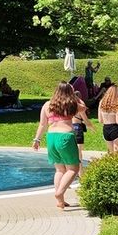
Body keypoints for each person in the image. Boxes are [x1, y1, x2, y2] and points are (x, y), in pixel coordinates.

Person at [32, 81, 81, 209]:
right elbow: (83, 108)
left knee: (59, 170)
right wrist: (74, 96)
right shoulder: (71, 104)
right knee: (73, 169)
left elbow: (42, 124)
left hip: (51, 137)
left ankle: (60, 201)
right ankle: (59, 193)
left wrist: (37, 139)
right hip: (65, 137)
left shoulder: (47, 105)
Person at [98, 84, 118, 153]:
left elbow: (100, 120)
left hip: (105, 129)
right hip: (115, 129)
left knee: (111, 153)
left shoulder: (101, 103)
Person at [72, 97, 94, 178]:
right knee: (79, 154)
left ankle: (72, 172)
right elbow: (86, 120)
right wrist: (92, 127)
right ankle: (81, 173)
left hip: (69, 128)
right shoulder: (79, 108)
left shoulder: (68, 107)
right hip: (77, 128)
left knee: (71, 152)